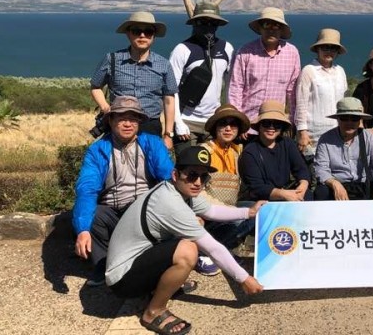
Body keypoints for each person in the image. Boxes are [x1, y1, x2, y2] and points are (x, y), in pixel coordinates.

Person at [105, 146, 264, 334]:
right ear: (175, 175)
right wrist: (243, 278)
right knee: (187, 251)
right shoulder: (169, 203)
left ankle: (162, 286)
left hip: (137, 260)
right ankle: (153, 311)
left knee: (186, 240)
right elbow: (212, 248)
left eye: (204, 177)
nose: (198, 182)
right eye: (191, 175)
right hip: (122, 279)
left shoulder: (178, 191)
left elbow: (211, 211)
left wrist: (249, 212)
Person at [73, 96, 173, 287]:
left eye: (133, 118)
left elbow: (168, 178)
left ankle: (159, 268)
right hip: (111, 209)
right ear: (111, 121)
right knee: (95, 215)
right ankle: (103, 265)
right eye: (121, 118)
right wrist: (83, 229)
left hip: (143, 211)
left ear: (140, 121)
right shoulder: (98, 150)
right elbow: (87, 188)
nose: (128, 124)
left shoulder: (152, 144)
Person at [90, 11, 178, 148]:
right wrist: (106, 108)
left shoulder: (164, 65)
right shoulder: (112, 60)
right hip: (119, 124)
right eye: (137, 31)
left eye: (148, 31)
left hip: (150, 127)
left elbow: (169, 99)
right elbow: (95, 86)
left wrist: (168, 134)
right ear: (128, 33)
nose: (142, 35)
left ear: (154, 36)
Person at [196, 103, 251, 276]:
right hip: (207, 211)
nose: (228, 128)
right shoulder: (204, 151)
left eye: (233, 124)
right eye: (223, 124)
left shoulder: (237, 152)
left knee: (260, 211)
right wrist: (228, 210)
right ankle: (204, 252)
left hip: (230, 208)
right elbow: (197, 190)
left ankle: (224, 248)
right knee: (240, 217)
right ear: (215, 127)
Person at [169, 1, 233, 149]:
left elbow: (231, 85)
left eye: (213, 22)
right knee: (187, 162)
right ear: (195, 23)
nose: (208, 26)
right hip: (187, 121)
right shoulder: (182, 49)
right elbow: (171, 88)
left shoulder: (226, 48)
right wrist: (178, 122)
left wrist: (226, 116)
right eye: (203, 21)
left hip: (214, 121)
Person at [228, 7, 300, 130]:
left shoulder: (292, 53)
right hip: (248, 124)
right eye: (267, 25)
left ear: (281, 29)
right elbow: (236, 88)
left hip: (275, 126)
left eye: (276, 26)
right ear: (260, 28)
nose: (271, 30)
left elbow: (292, 92)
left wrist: (293, 121)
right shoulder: (245, 51)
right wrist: (239, 121)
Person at [313, 97, 373, 201]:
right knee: (321, 192)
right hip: (337, 185)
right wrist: (334, 184)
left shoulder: (369, 138)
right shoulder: (326, 139)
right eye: (344, 118)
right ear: (338, 119)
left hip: (364, 185)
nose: (349, 123)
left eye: (354, 118)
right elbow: (321, 169)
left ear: (360, 120)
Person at [238, 100, 312, 202]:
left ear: (282, 127)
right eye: (266, 123)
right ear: (259, 125)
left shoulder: (288, 143)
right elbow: (256, 187)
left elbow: (301, 169)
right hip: (261, 200)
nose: (271, 127)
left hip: (285, 192)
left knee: (307, 194)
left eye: (277, 124)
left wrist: (303, 186)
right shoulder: (250, 152)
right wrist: (282, 194)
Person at [295, 28, 349, 158]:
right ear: (318, 49)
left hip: (338, 132)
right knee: (314, 168)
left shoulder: (340, 71)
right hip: (314, 135)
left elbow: (344, 100)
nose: (329, 51)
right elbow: (301, 103)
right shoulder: (309, 71)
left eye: (333, 48)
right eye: (325, 47)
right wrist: (302, 132)